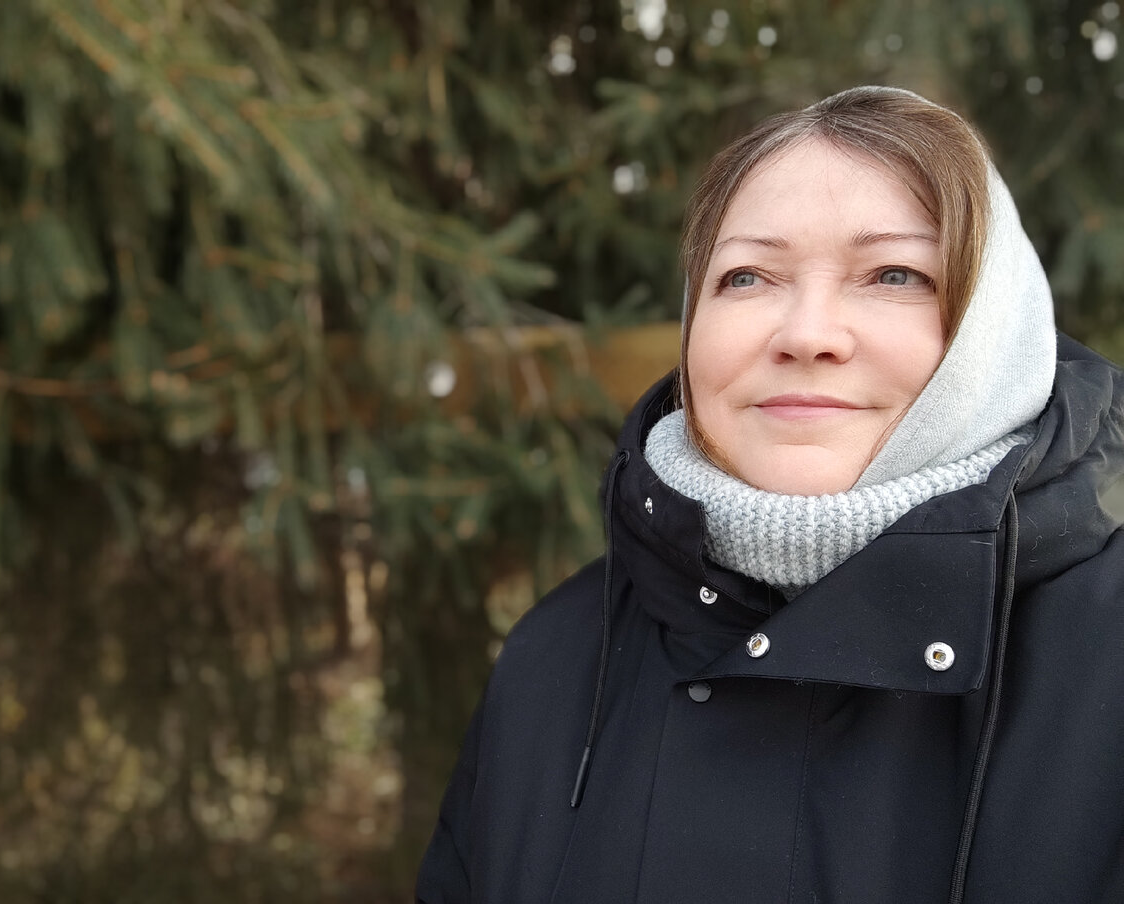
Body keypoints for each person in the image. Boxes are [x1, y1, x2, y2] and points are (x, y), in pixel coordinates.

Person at [415, 86, 1124, 903]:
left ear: (995, 330)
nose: (807, 334)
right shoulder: (555, 659)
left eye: (895, 274)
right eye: (748, 276)